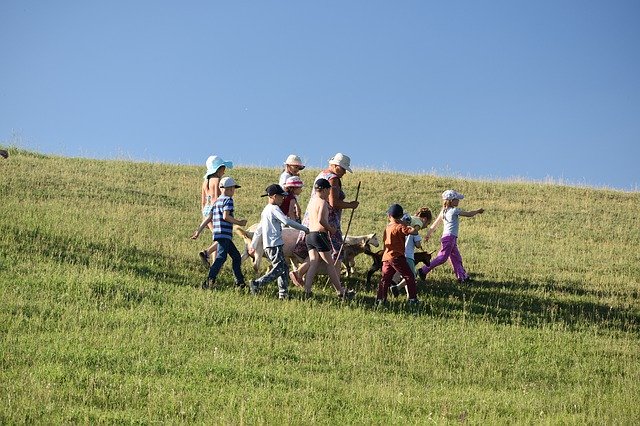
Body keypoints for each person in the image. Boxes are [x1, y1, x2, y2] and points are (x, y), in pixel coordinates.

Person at [290, 153, 359, 286]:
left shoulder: (321, 175)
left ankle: (299, 273)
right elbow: (333, 203)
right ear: (334, 165)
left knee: (316, 251)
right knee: (336, 253)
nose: (344, 172)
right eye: (342, 168)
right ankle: (337, 285)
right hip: (328, 222)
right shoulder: (333, 179)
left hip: (312, 219)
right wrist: (351, 205)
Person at [249, 184, 310, 299]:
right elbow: (286, 221)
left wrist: (253, 244)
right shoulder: (274, 209)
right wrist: (304, 228)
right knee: (280, 268)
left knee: (284, 268)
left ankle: (283, 293)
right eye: (281, 197)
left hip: (270, 245)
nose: (283, 199)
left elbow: (259, 230)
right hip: (274, 244)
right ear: (274, 196)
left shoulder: (266, 210)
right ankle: (258, 283)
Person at [303, 178, 356, 299]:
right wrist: (331, 229)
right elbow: (321, 220)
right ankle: (340, 291)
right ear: (325, 189)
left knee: (313, 263)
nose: (329, 193)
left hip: (310, 235)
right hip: (320, 235)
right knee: (330, 264)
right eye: (329, 190)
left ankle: (307, 290)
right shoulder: (322, 202)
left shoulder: (312, 201)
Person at [191, 176, 248, 289]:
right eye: (233, 189)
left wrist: (199, 230)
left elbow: (208, 218)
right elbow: (226, 216)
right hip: (225, 234)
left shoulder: (217, 201)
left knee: (236, 257)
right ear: (230, 189)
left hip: (218, 233)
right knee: (221, 257)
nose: (233, 191)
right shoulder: (228, 200)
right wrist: (239, 222)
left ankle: (240, 282)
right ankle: (209, 281)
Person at [417, 190, 484, 283]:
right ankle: (423, 270)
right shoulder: (454, 210)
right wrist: (477, 211)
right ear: (451, 200)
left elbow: (435, 224)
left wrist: (428, 234)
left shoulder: (443, 211)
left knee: (456, 258)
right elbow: (468, 214)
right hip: (450, 238)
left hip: (448, 238)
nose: (458, 201)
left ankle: (462, 277)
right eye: (457, 199)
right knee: (442, 257)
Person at [376, 204, 420, 306]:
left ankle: (380, 299)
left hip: (386, 256)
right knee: (409, 276)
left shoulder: (388, 227)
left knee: (385, 279)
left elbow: (384, 241)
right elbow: (414, 232)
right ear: (401, 216)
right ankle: (413, 299)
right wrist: (413, 225)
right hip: (397, 257)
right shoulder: (400, 227)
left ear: (389, 216)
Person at [198, 155, 233, 269]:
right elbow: (219, 198)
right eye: (223, 168)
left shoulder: (205, 181)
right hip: (215, 210)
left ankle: (214, 263)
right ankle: (206, 253)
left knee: (217, 237)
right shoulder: (217, 181)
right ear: (218, 169)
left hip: (206, 210)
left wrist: (204, 215)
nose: (224, 171)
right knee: (223, 237)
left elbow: (203, 201)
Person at [390, 208, 433, 297]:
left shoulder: (405, 226)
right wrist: (420, 245)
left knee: (403, 275)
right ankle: (397, 288)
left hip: (399, 254)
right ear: (424, 219)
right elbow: (417, 244)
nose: (426, 226)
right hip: (409, 256)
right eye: (428, 223)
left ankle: (408, 296)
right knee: (412, 276)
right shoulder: (415, 231)